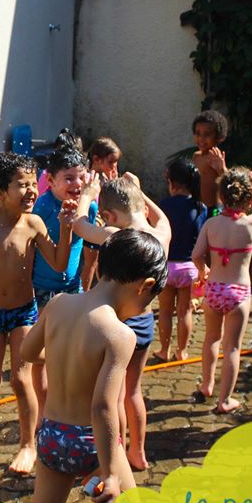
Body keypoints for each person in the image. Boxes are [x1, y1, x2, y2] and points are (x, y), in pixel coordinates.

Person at [22, 229, 167, 503]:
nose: (141, 311)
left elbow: (28, 351)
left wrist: (66, 355)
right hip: (91, 442)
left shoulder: (59, 303)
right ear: (146, 286)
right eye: (147, 303)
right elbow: (103, 406)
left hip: (52, 434)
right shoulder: (119, 335)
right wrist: (111, 474)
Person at [0, 152, 73, 473]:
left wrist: (65, 229)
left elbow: (60, 263)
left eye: (31, 184)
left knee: (22, 380)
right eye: (21, 185)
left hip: (24, 312)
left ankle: (27, 445)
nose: (31, 191)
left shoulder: (34, 223)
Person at [73, 173, 171, 471]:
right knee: (134, 391)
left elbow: (79, 226)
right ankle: (138, 452)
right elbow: (162, 216)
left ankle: (116, 455)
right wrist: (140, 193)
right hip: (145, 324)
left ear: (109, 216)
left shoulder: (117, 238)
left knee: (113, 396)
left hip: (117, 327)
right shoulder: (161, 234)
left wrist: (88, 195)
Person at [192, 167, 252, 414]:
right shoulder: (251, 223)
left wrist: (204, 271)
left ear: (220, 196)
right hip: (238, 292)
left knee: (211, 339)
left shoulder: (211, 224)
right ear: (248, 199)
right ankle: (224, 400)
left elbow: (196, 255)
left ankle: (206, 385)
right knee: (233, 348)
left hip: (214, 289)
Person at [31, 146, 99, 420]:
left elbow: (87, 249)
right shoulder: (43, 206)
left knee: (71, 349)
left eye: (81, 177)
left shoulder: (89, 207)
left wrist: (87, 287)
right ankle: (42, 410)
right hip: (42, 289)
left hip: (72, 288)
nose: (77, 184)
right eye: (69, 178)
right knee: (41, 355)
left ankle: (65, 405)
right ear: (51, 180)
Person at [156, 159, 206, 362]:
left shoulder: (164, 206)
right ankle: (182, 351)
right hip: (189, 268)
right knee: (185, 312)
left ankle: (164, 350)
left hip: (167, 268)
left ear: (172, 183)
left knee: (165, 312)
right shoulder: (200, 207)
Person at [191, 109, 229, 217]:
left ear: (218, 137)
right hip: (197, 207)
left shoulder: (216, 158)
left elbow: (227, 180)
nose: (201, 138)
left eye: (207, 134)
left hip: (213, 210)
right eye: (198, 133)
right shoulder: (196, 156)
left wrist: (221, 168)